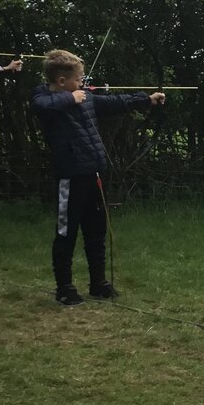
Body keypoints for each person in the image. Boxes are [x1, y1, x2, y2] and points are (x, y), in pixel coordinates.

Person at [30, 49, 164, 305]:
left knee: (96, 231)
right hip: (70, 177)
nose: (82, 82)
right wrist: (70, 98)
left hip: (94, 174)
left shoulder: (86, 98)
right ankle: (65, 288)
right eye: (78, 78)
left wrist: (147, 99)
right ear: (61, 81)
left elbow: (115, 102)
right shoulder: (44, 98)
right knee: (66, 232)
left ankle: (98, 283)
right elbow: (41, 106)